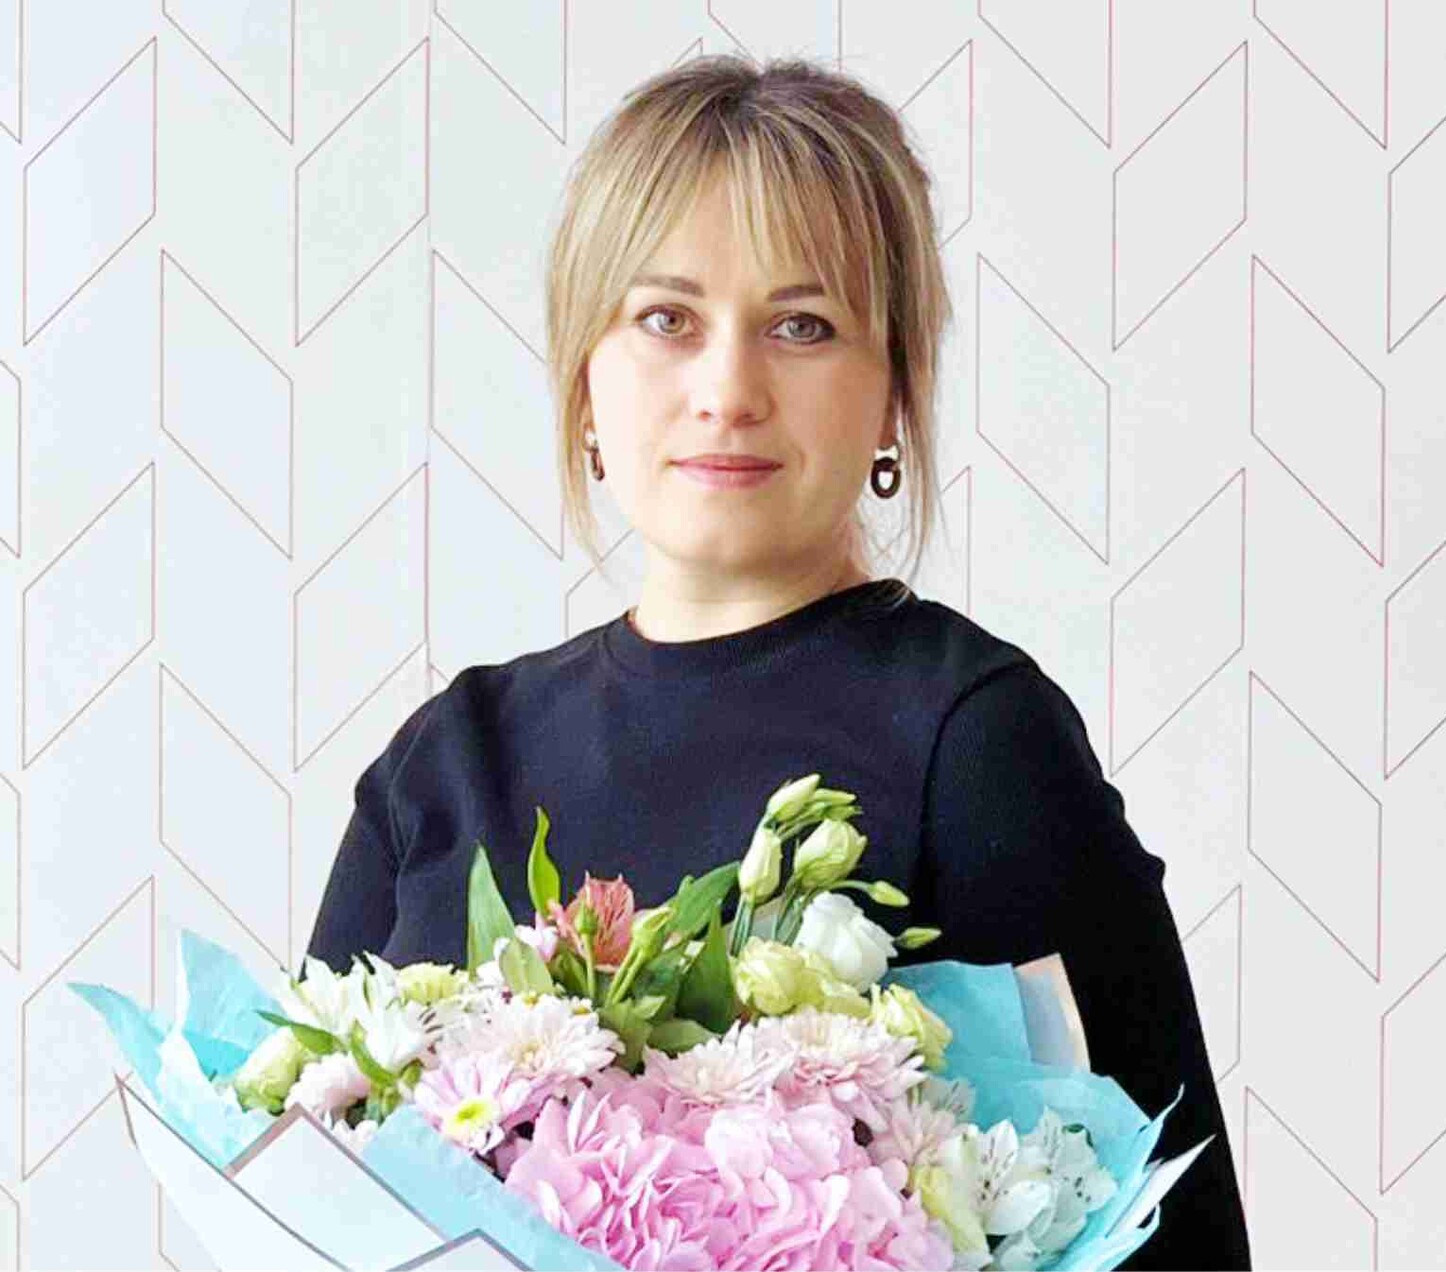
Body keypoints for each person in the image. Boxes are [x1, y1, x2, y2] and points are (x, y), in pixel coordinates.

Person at [304, 53, 1251, 1271]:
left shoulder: (975, 743)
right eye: (667, 320)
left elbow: (1182, 1249)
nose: (729, 388)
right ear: (583, 381)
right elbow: (301, 1190)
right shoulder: (449, 760)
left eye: (803, 326)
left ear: (895, 391)